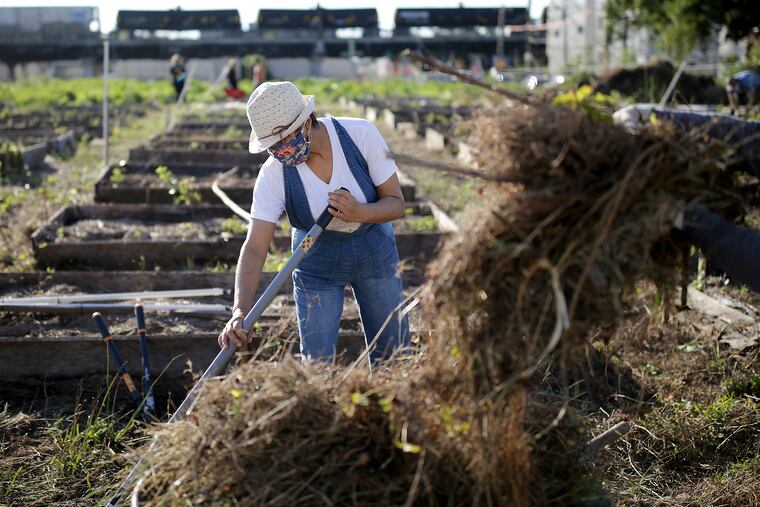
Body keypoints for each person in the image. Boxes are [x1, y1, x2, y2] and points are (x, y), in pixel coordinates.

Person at [218, 81, 410, 362]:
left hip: (374, 254)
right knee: (317, 364)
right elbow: (256, 247)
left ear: (307, 121)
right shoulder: (274, 174)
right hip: (316, 261)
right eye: (274, 145)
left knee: (393, 355)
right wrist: (239, 311)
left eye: (286, 138)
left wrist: (361, 212)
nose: (282, 150)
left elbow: (396, 203)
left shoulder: (359, 135)